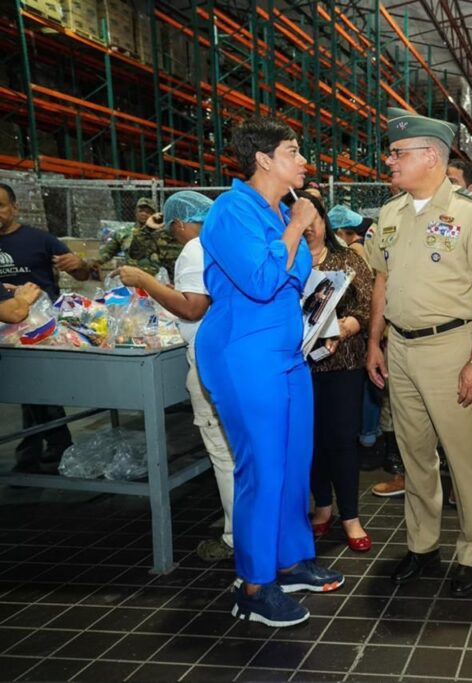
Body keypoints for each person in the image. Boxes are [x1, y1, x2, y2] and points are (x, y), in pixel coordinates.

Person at [196, 117, 343, 628]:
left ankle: (290, 560)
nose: (304, 161)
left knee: (294, 460)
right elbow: (261, 280)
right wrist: (297, 226)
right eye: (293, 151)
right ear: (263, 159)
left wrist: (294, 226)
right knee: (261, 467)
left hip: (285, 352)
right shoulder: (230, 210)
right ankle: (254, 586)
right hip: (243, 353)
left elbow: (296, 278)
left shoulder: (280, 211)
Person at [365, 108, 472, 598]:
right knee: (414, 456)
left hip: (451, 347)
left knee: (463, 457)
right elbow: (381, 281)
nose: (389, 161)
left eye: (398, 153)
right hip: (401, 348)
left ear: (430, 156)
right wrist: (374, 342)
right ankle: (422, 545)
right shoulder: (391, 213)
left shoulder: (470, 212)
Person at [117, 191, 235, 563]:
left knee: (223, 453)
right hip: (237, 353)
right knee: (244, 449)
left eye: (172, 229)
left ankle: (236, 536)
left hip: (209, 358)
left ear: (180, 223)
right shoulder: (228, 242)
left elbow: (192, 307)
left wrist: (144, 280)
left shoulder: (195, 248)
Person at [297, 191, 374, 553]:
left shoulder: (346, 259)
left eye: (314, 218)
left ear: (324, 221)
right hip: (300, 365)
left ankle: (351, 516)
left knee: (342, 439)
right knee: (310, 440)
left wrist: (347, 326)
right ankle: (322, 506)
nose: (308, 226)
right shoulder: (288, 262)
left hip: (343, 363)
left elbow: (368, 304)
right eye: (300, 219)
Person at [0, 182, 90, 474]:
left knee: (39, 390)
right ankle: (55, 445)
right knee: (28, 391)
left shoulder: (40, 240)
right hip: (6, 330)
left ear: (15, 207)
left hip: (42, 328)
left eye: (1, 206)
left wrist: (78, 263)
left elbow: (82, 272)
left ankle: (39, 451)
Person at [87, 197, 182, 281]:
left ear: (154, 215)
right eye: (141, 211)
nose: (144, 214)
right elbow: (108, 251)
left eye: (148, 212)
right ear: (136, 213)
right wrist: (96, 261)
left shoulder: (164, 234)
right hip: (131, 278)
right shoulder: (123, 233)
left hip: (156, 279)